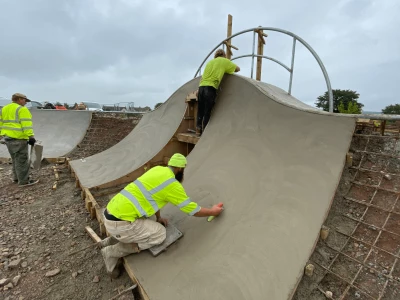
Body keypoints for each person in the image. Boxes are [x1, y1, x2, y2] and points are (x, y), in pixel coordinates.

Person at [99, 153, 224, 277]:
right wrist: (213, 211)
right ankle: (112, 252)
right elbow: (192, 209)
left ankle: (109, 240)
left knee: (152, 220)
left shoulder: (157, 170)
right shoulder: (172, 185)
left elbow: (152, 198)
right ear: (180, 169)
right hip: (120, 224)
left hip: (110, 212)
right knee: (159, 234)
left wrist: (158, 218)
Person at [196, 49, 240, 136]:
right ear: (224, 55)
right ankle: (205, 134)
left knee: (200, 110)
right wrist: (227, 66)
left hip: (201, 88)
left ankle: (198, 130)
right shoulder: (224, 61)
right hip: (210, 88)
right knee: (207, 112)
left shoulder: (209, 63)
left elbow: (203, 77)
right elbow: (237, 69)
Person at [0, 93, 39, 186]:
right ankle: (24, 181)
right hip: (19, 139)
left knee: (15, 159)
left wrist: (1, 135)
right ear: (19, 99)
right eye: (25, 100)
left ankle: (16, 178)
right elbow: (26, 124)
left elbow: (1, 123)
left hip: (8, 138)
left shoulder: (4, 109)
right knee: (22, 160)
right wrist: (31, 137)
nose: (25, 103)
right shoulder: (22, 109)